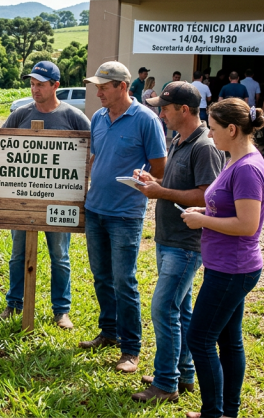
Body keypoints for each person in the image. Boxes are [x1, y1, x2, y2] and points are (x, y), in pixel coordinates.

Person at [130, 82, 225, 403]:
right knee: (181, 309)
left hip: (186, 244)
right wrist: (153, 182)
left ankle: (165, 383)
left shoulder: (204, 147)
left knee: (163, 307)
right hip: (169, 238)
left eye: (166, 108)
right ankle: (183, 374)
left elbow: (205, 196)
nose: (161, 113)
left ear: (184, 110)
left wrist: (162, 192)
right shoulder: (179, 140)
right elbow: (176, 185)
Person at [182, 98, 264, 418]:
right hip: (230, 266)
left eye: (213, 127)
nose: (208, 133)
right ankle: (226, 413)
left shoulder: (246, 168)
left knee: (200, 338)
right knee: (228, 340)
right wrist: (205, 210)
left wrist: (204, 221)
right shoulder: (237, 159)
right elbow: (231, 207)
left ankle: (213, 413)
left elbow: (247, 224)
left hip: (232, 269)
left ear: (232, 129)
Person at [80, 61, 167, 373]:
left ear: (122, 87)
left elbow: (160, 168)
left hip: (126, 214)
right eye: (97, 86)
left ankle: (131, 348)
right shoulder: (98, 117)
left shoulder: (146, 119)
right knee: (102, 276)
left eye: (104, 86)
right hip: (95, 209)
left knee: (123, 280)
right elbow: (94, 157)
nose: (98, 92)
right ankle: (108, 332)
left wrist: (144, 177)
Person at [0, 61, 90, 329]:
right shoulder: (20, 115)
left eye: (40, 84)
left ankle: (61, 310)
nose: (34, 89)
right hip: (23, 199)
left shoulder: (73, 116)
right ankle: (14, 304)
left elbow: (92, 151)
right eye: (32, 84)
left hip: (59, 201)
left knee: (59, 255)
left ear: (55, 86)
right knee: (17, 254)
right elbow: (0, 147)